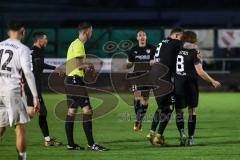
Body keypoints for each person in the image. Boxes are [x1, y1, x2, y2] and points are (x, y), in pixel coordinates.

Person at [0, 21, 40, 160]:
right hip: (12, 90)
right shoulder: (22, 49)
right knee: (20, 127)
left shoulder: (0, 45)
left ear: (8, 32)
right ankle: (22, 158)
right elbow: (28, 73)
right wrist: (35, 96)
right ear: (22, 31)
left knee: (1, 126)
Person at [174, 31, 221, 146]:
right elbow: (200, 71)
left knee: (179, 111)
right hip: (190, 84)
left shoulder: (175, 50)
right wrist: (212, 81)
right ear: (194, 40)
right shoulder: (195, 52)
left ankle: (182, 135)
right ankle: (190, 138)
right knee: (192, 111)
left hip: (178, 84)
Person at [65, 22, 106, 151]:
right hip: (75, 81)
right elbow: (78, 65)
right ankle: (91, 144)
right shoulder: (79, 45)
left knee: (71, 112)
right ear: (86, 31)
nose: (91, 33)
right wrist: (90, 65)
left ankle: (70, 144)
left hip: (69, 81)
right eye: (91, 31)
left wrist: (87, 65)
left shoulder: (73, 43)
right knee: (88, 111)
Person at [24, 32, 63, 146]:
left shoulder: (31, 51)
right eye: (45, 39)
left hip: (32, 86)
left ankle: (47, 140)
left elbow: (36, 65)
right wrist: (55, 68)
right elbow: (39, 65)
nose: (47, 41)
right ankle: (6, 124)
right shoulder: (36, 51)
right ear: (39, 40)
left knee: (43, 112)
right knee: (30, 113)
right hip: (33, 87)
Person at [126, 30, 155, 131]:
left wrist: (153, 62)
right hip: (136, 77)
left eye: (144, 35)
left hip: (148, 77)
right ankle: (138, 121)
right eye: (140, 35)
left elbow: (155, 60)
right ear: (137, 38)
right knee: (137, 97)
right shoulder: (133, 50)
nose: (142, 37)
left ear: (146, 37)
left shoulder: (152, 48)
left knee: (145, 100)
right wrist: (128, 64)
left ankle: (139, 120)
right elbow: (129, 63)